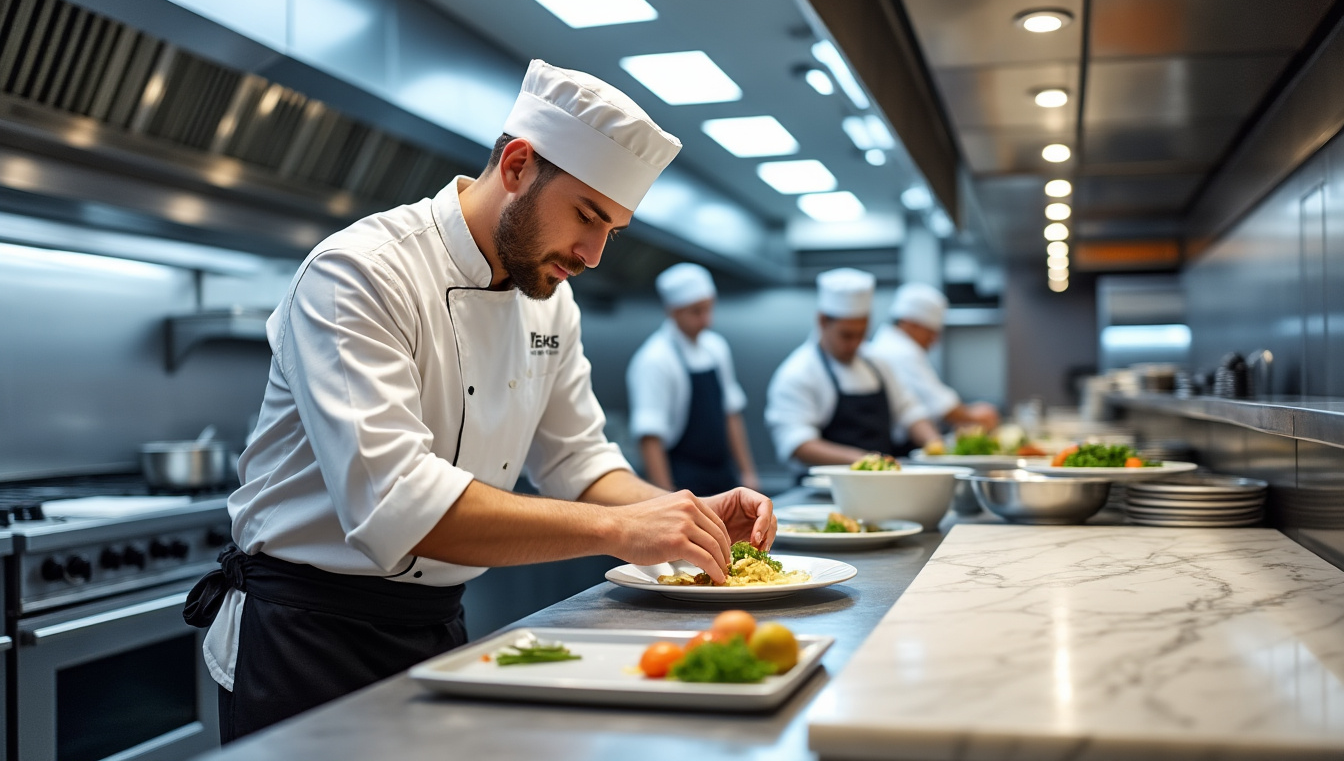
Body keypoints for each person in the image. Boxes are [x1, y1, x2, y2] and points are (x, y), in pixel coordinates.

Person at [183, 59, 775, 743]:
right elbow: (398, 505)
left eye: (613, 229)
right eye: (587, 216)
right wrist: (624, 530)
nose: (593, 254)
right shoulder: (361, 273)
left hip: (438, 626)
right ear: (518, 165)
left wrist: (689, 518)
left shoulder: (550, 301)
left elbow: (580, 462)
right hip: (308, 640)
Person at [765, 268, 940, 471]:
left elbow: (909, 411)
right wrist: (866, 461)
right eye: (846, 335)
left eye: (861, 334)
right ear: (822, 321)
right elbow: (798, 443)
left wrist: (936, 447)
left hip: (881, 483)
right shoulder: (798, 372)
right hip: (825, 490)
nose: (855, 343)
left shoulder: (877, 362)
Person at [626, 263, 759, 495]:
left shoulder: (716, 348)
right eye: (697, 312)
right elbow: (650, 439)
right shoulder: (654, 360)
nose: (707, 321)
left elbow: (731, 414)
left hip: (723, 474)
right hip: (683, 480)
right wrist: (666, 500)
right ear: (673, 311)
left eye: (709, 309)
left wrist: (747, 472)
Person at [867, 282, 1000, 432]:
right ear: (910, 323)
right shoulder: (900, 352)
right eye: (930, 333)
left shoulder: (891, 345)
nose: (934, 341)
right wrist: (974, 416)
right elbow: (943, 407)